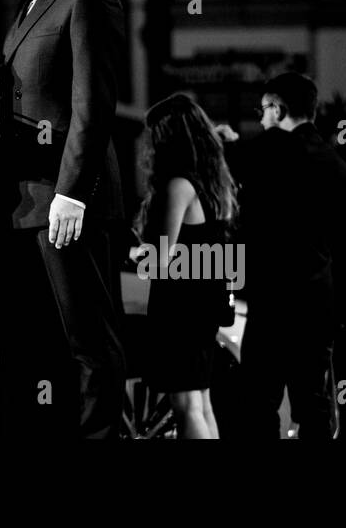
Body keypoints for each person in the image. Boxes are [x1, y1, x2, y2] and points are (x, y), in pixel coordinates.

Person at [0, 0, 127, 439]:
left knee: (89, 351)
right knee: (29, 355)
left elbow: (93, 106)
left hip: (65, 207)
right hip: (20, 205)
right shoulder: (32, 0)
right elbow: (14, 103)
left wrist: (71, 192)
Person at [221, 72, 346, 439]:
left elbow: (228, 170)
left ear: (278, 110)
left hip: (272, 302)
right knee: (313, 405)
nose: (261, 118)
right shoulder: (340, 169)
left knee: (259, 403)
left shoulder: (264, 152)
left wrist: (225, 142)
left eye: (264, 109)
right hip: (318, 304)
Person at [138, 93, 238, 438]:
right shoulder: (213, 186)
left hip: (180, 308)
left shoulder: (177, 186)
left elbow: (161, 255)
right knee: (202, 402)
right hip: (204, 303)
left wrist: (136, 252)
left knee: (186, 406)